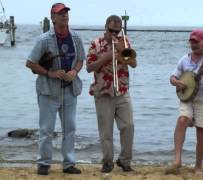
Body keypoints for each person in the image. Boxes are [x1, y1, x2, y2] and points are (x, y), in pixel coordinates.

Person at [25, 3, 85, 175]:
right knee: (46, 129)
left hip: (70, 90)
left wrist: (74, 71)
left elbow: (81, 59)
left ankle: (68, 164)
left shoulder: (76, 38)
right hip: (48, 91)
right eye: (60, 14)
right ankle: (44, 163)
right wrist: (50, 73)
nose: (64, 16)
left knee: (70, 128)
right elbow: (30, 63)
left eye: (66, 13)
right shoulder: (43, 40)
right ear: (52, 18)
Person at [167, 29, 203, 175]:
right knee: (181, 121)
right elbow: (173, 77)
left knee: (201, 133)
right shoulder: (184, 59)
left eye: (196, 42)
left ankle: (198, 166)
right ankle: (177, 160)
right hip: (187, 98)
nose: (193, 45)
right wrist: (177, 82)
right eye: (191, 42)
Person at [86, 15, 137, 173]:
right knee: (106, 131)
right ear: (105, 27)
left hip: (122, 91)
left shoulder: (125, 42)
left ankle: (124, 160)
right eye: (111, 30)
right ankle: (107, 162)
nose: (114, 34)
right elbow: (89, 67)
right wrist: (107, 57)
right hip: (103, 92)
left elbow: (134, 64)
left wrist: (122, 49)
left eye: (117, 31)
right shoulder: (96, 44)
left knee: (128, 126)